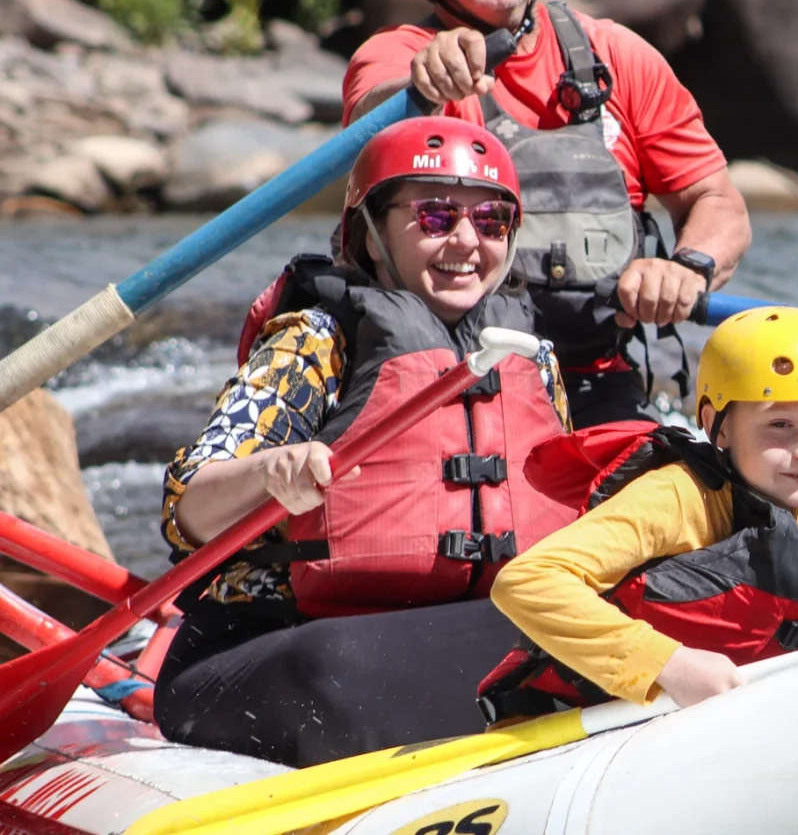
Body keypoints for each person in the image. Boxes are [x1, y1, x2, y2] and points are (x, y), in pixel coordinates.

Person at [155, 117, 580, 766]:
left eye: (491, 221)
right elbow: (187, 508)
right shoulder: (318, 340)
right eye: (436, 216)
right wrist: (271, 472)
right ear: (373, 232)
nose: (466, 240)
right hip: (294, 644)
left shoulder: (531, 356)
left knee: (598, 623)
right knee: (343, 667)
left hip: (453, 633)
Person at [342, 0, 751, 428]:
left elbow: (716, 199)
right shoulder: (397, 59)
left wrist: (686, 267)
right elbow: (374, 122)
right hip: (444, 383)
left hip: (599, 388)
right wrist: (420, 89)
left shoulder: (619, 57)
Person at [476, 307, 798, 720]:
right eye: (780, 426)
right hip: (572, 731)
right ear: (717, 425)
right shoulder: (677, 497)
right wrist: (667, 663)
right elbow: (526, 581)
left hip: (707, 735)